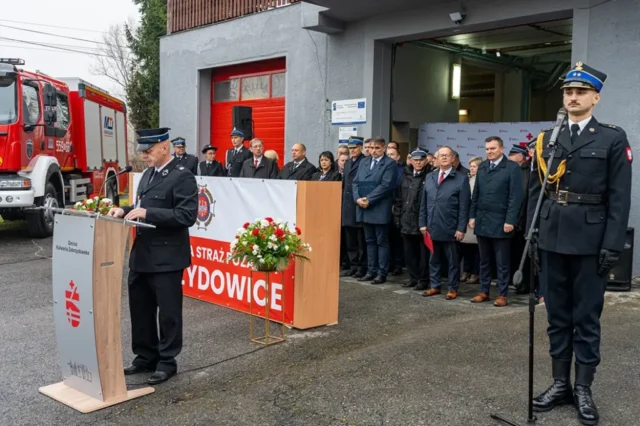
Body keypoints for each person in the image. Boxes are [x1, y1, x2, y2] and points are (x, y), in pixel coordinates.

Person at [528, 62, 632, 425]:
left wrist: (613, 244)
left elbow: (620, 196)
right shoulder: (547, 138)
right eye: (568, 91)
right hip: (552, 237)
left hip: (591, 241)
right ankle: (560, 384)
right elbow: (536, 192)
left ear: (595, 98)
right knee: (557, 316)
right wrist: (532, 233)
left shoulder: (611, 138)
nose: (573, 97)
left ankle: (584, 387)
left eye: (581, 92)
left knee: (586, 318)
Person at [108, 127, 198, 385]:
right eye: (142, 151)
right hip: (142, 254)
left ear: (164, 147)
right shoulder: (148, 174)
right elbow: (140, 207)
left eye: (148, 151)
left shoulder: (182, 176)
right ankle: (145, 356)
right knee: (140, 309)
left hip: (167, 257)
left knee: (168, 314)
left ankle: (167, 361)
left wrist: (148, 214)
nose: (144, 156)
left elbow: (186, 215)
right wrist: (123, 210)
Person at [468, 136, 524, 307]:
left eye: (492, 148)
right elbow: (476, 194)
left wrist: (510, 220)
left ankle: (502, 294)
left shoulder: (512, 168)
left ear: (501, 148)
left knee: (502, 262)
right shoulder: (483, 166)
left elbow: (515, 197)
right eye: (487, 149)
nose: (489, 152)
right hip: (482, 220)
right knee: (484, 260)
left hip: (501, 222)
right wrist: (472, 216)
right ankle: (484, 291)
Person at [420, 146, 470, 300]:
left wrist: (461, 228)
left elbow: (464, 206)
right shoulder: (430, 176)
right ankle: (435, 286)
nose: (443, 158)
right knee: (433, 259)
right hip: (432, 226)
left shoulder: (461, 178)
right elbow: (423, 203)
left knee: (453, 261)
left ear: (453, 158)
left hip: (451, 227)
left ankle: (452, 288)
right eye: (440, 155)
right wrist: (422, 223)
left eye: (447, 155)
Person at [352, 137, 397, 284]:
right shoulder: (364, 162)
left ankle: (381, 272)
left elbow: (386, 185)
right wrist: (357, 199)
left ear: (384, 148)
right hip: (363, 207)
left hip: (379, 207)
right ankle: (371, 270)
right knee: (369, 241)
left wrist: (369, 199)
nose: (373, 151)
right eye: (371, 148)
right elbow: (355, 182)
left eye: (377, 148)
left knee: (381, 241)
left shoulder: (389, 163)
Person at [393, 149, 431, 290]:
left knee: (423, 254)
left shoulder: (430, 175)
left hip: (421, 222)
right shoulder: (405, 175)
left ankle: (423, 279)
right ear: (411, 161)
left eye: (421, 160)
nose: (418, 163)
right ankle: (413, 277)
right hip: (406, 220)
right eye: (416, 160)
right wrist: (397, 218)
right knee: (409, 253)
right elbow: (399, 199)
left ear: (425, 161)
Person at [341, 137, 367, 278]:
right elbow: (345, 184)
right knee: (350, 240)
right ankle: (353, 265)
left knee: (360, 240)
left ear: (360, 147)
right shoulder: (347, 163)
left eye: (355, 148)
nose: (352, 150)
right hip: (347, 206)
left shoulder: (365, 161)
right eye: (350, 148)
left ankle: (361, 267)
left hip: (358, 204)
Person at [507, 144, 532, 294]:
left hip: (523, 222)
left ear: (521, 157)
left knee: (524, 255)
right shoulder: (514, 171)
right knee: (514, 254)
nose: (509, 157)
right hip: (514, 222)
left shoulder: (526, 172)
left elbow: (523, 199)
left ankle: (524, 284)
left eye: (512, 155)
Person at [460, 157, 482, 284]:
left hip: (475, 218)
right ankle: (466, 271)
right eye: (471, 166)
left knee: (477, 248)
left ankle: (475, 273)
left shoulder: (481, 180)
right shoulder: (467, 179)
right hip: (466, 217)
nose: (471, 168)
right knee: (466, 246)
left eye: (474, 166)